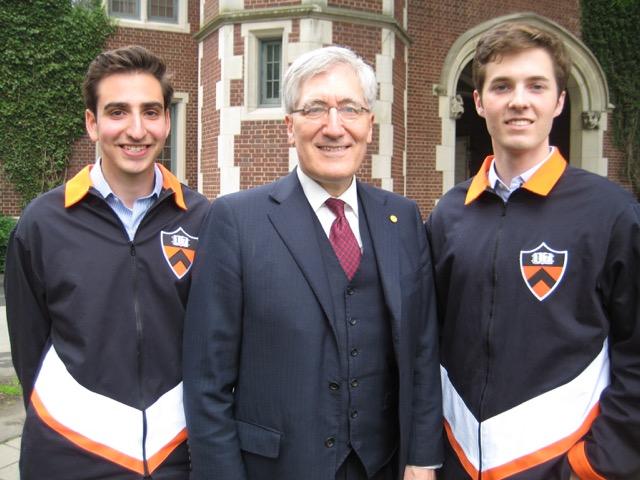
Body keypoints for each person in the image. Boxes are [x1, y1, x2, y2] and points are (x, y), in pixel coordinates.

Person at [182, 46, 443, 480]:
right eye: (315, 109)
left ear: (369, 125)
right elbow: (208, 379)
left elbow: (422, 350)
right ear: (290, 127)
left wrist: (421, 456)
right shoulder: (236, 220)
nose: (334, 127)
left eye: (350, 109)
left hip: (382, 466)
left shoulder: (403, 219)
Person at [426, 22, 640, 479]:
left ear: (558, 101)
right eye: (502, 86)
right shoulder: (449, 214)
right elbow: (431, 341)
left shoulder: (612, 213)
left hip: (562, 464)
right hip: (458, 463)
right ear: (480, 102)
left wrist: (599, 464)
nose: (518, 100)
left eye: (536, 86)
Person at [4, 45, 210, 479]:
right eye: (118, 112)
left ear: (167, 122)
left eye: (151, 112)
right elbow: (30, 349)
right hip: (69, 453)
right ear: (92, 123)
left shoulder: (204, 218)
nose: (137, 130)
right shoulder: (42, 223)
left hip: (177, 455)